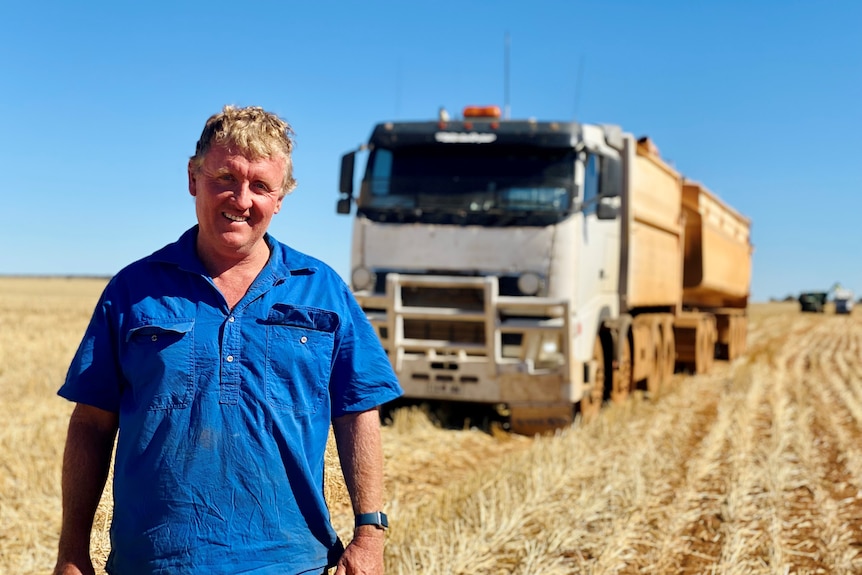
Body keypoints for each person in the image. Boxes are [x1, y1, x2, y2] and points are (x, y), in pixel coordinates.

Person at [53, 105, 403, 575]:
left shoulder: (322, 289)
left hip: (292, 563)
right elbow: (91, 425)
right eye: (225, 177)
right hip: (155, 563)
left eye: (261, 186)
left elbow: (358, 413)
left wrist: (369, 535)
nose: (241, 199)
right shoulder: (134, 290)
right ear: (193, 177)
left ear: (280, 198)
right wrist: (72, 550)